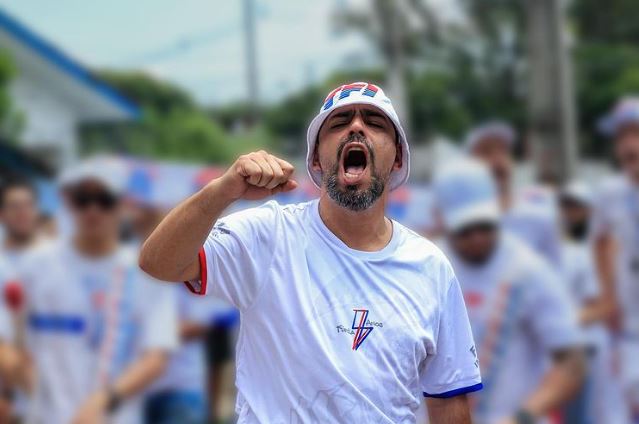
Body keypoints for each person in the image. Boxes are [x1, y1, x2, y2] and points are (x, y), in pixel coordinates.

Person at [140, 82, 482, 423]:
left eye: (375, 123)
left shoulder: (430, 267)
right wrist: (222, 191)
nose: (357, 127)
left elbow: (449, 402)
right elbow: (158, 263)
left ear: (398, 158)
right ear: (316, 158)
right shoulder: (269, 235)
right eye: (339, 122)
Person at [11, 158, 178, 424]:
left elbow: (155, 358)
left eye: (104, 199)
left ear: (123, 206)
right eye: (83, 199)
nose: (93, 209)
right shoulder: (35, 265)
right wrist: (34, 392)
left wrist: (103, 402)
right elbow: (12, 345)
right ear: (69, 203)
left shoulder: (147, 272)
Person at [433, 159, 584, 424]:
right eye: (466, 229)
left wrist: (522, 416)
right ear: (444, 222)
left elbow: (571, 362)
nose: (477, 237)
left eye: (484, 225)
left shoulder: (528, 270)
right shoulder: (429, 267)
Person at [558, 181, 630, 423]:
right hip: (566, 349)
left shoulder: (604, 248)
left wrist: (561, 322)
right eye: (567, 206)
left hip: (596, 348)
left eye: (577, 206)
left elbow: (605, 305)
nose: (571, 213)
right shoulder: (562, 249)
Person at [592, 97, 639, 421]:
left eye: (634, 133)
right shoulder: (610, 192)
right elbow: (600, 240)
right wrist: (608, 295)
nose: (627, 144)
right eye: (621, 136)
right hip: (628, 333)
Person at [465, 121, 563, 267]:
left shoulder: (539, 213)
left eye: (503, 150)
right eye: (486, 152)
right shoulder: (460, 223)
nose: (497, 160)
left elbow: (556, 272)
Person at [0, 179, 44, 265]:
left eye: (29, 205)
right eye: (14, 206)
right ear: (1, 214)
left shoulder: (58, 256)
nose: (23, 213)